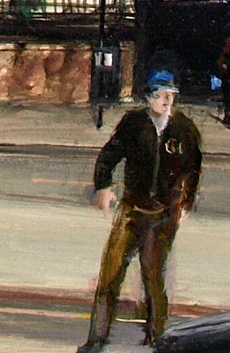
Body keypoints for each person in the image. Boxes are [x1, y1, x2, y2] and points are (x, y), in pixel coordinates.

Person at [82, 69, 202, 352]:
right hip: (132, 209)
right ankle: (97, 338)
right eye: (160, 95)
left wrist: (186, 202)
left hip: (162, 213)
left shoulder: (184, 129)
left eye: (170, 96)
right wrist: (103, 186)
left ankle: (158, 338)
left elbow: (193, 168)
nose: (166, 101)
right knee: (110, 274)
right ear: (149, 98)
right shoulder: (134, 124)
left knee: (154, 277)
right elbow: (109, 155)